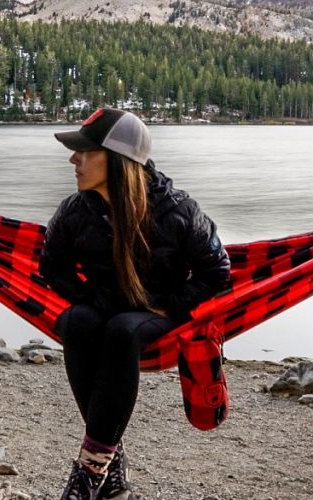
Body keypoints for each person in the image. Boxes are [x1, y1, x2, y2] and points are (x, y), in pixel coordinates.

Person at [40, 107, 231, 500]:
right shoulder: (75, 210)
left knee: (123, 330)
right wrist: (90, 298)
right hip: (103, 307)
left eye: (84, 152)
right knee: (76, 321)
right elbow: (51, 266)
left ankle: (89, 472)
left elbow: (217, 271)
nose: (73, 160)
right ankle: (109, 462)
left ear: (117, 160)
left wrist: (173, 305)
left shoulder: (177, 210)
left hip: (153, 316)